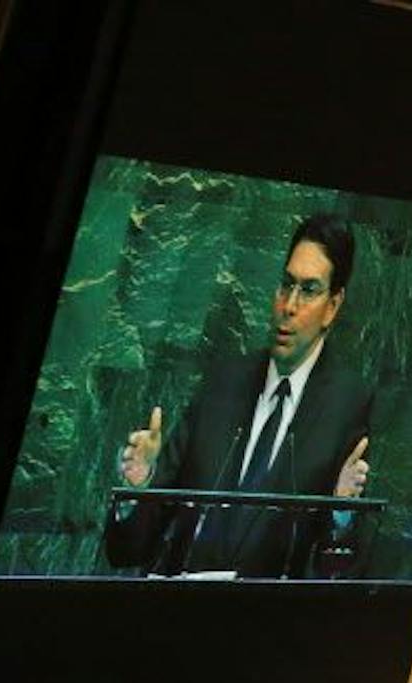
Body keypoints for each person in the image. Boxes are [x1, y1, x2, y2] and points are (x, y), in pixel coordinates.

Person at [105, 213, 376, 578]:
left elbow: (338, 572)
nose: (289, 305)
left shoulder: (347, 406)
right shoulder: (223, 383)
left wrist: (342, 514)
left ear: (333, 306)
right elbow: (129, 550)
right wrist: (138, 488)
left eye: (309, 290)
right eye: (286, 285)